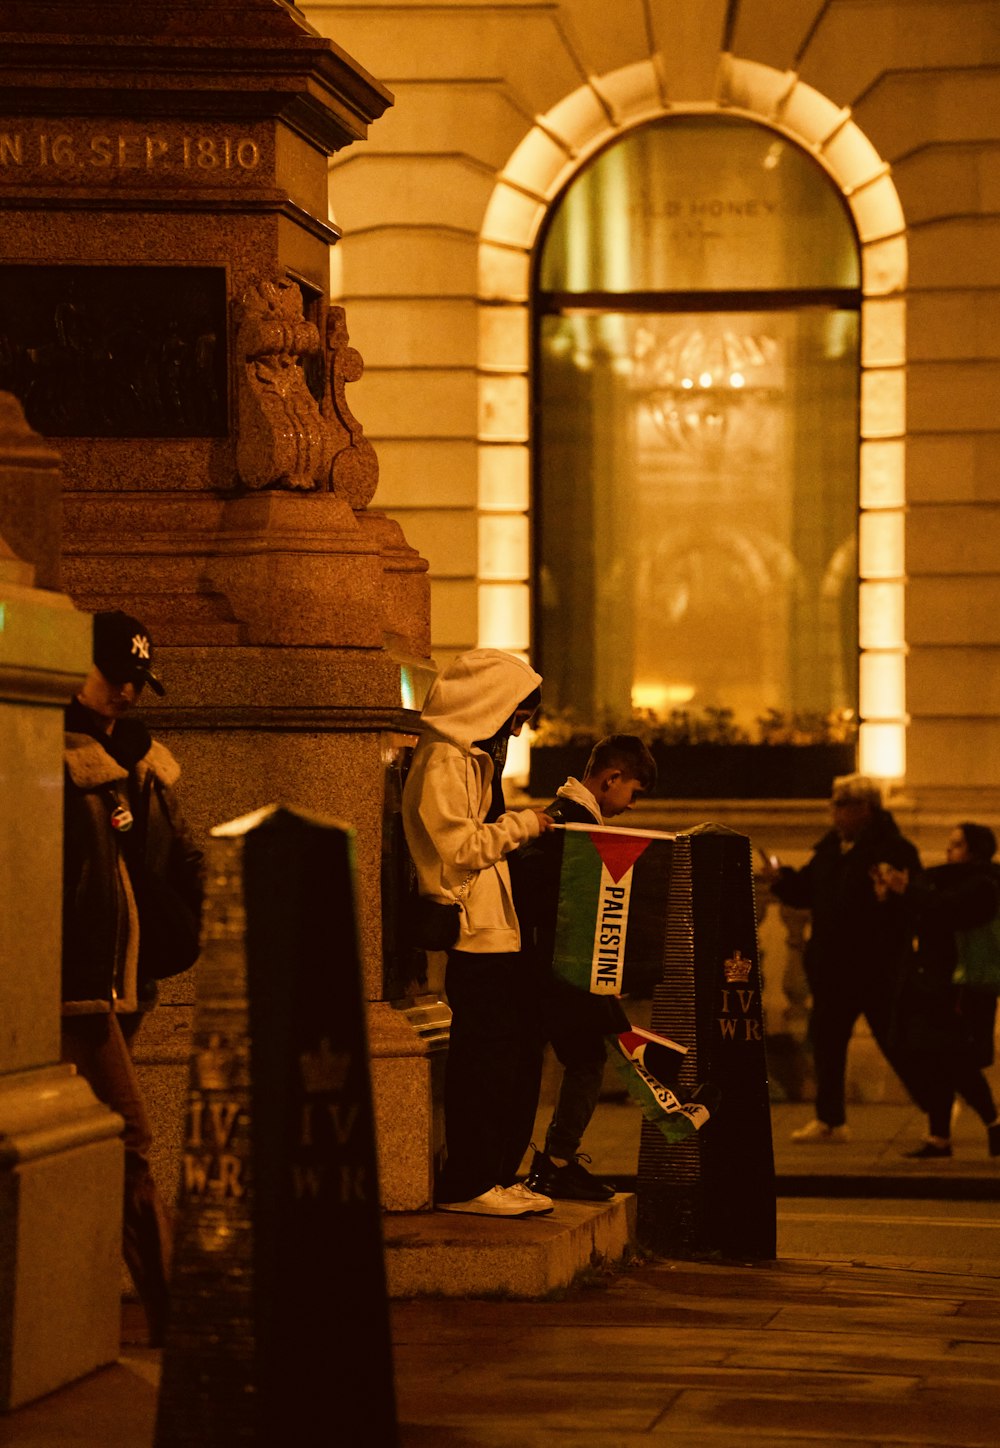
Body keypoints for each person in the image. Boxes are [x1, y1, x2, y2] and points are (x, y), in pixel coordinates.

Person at [61, 609, 204, 1344]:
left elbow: (184, 860)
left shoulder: (144, 763)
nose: (126, 692)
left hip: (128, 980)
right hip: (77, 988)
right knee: (129, 1135)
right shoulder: (55, 758)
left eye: (137, 681)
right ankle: (171, 1310)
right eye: (115, 676)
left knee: (96, 1143)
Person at [402, 649, 555, 1218]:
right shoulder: (446, 760)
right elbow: (461, 847)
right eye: (517, 715)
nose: (518, 729)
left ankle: (492, 1173)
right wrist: (526, 824)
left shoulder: (471, 760)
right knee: (483, 1059)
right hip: (472, 933)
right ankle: (468, 1182)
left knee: (507, 1058)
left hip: (495, 929)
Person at [515, 735, 658, 1201]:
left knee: (571, 1059)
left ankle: (548, 1160)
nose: (632, 806)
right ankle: (555, 1160)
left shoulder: (562, 814)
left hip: (551, 969)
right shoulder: (572, 824)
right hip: (560, 972)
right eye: (633, 792)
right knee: (585, 1061)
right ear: (611, 778)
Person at [764, 773, 921, 1143]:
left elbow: (911, 903)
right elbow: (807, 892)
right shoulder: (832, 850)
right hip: (833, 968)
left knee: (893, 1040)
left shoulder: (893, 850)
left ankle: (936, 1103)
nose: (834, 814)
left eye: (841, 806)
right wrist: (781, 877)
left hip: (876, 967)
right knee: (827, 1041)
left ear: (864, 809)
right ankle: (830, 1120)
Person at [875, 822, 1000, 1159]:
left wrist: (908, 891)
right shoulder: (938, 881)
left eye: (957, 845)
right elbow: (920, 920)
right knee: (937, 1059)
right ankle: (942, 1136)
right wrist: (890, 897)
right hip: (930, 985)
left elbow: (947, 911)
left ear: (974, 850)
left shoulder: (985, 884)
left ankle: (988, 1120)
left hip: (960, 987)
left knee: (953, 1059)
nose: (949, 850)